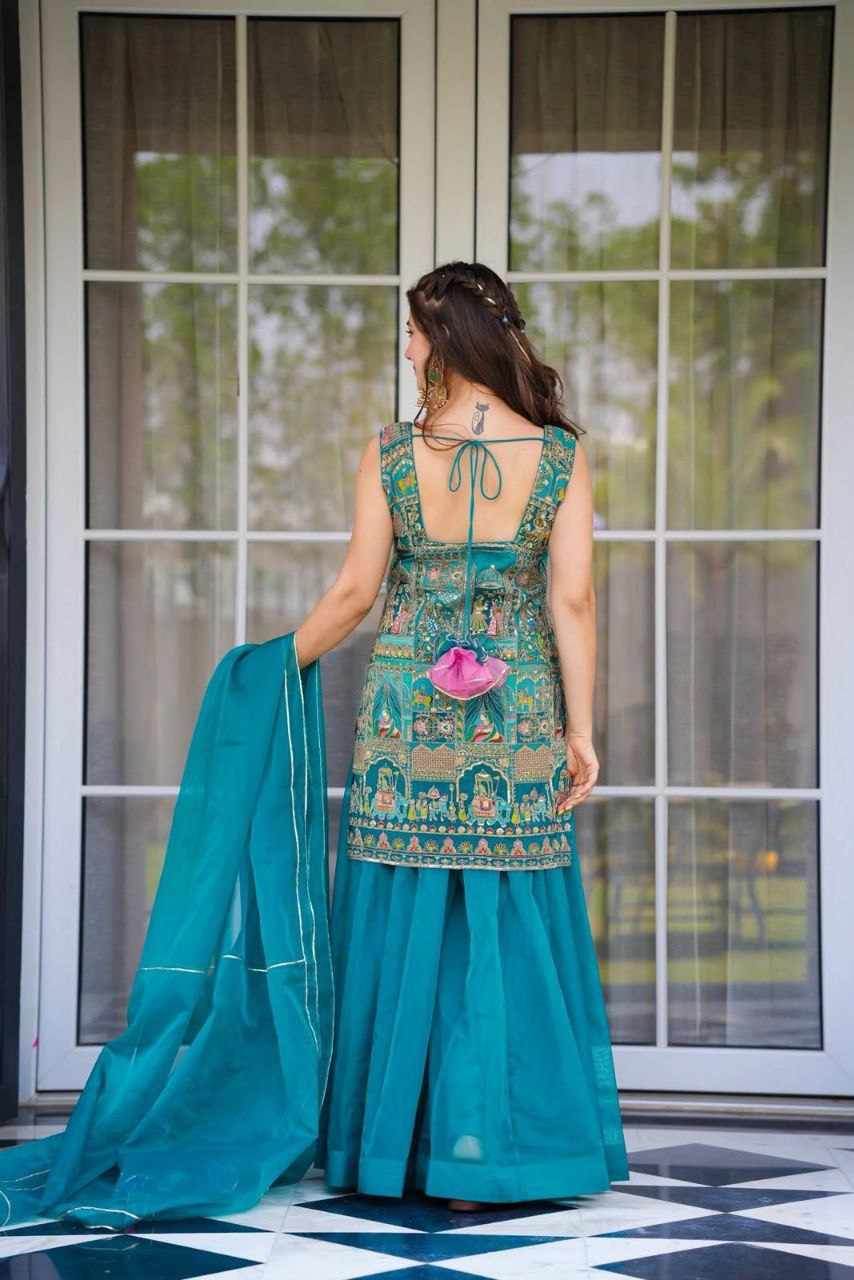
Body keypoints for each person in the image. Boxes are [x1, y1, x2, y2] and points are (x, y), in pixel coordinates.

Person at [299, 261, 629, 1209]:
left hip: (407, 716)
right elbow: (572, 599)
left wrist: (277, 662)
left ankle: (395, 1150)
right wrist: (579, 729)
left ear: (443, 338)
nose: (407, 350)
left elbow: (356, 593)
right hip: (516, 711)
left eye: (411, 332)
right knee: (501, 922)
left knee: (408, 918)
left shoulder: (393, 454)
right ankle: (488, 1155)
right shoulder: (558, 455)